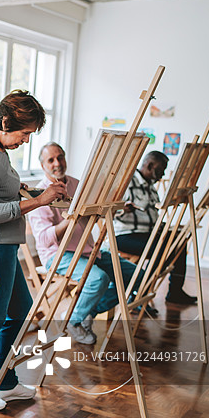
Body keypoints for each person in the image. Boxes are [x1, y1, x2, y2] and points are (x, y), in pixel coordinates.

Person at [0, 90, 67, 411]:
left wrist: (26, 191)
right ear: (5, 122)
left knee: (19, 310)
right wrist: (40, 201)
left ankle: (5, 382)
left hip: (1, 244)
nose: (26, 140)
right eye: (24, 133)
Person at [27, 143, 138, 344]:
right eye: (51, 160)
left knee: (137, 276)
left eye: (60, 157)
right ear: (42, 165)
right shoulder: (40, 193)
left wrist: (113, 208)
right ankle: (74, 320)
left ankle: (86, 311)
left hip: (88, 250)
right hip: (57, 255)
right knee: (98, 279)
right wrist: (70, 219)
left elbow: (95, 213)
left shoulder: (77, 185)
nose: (57, 163)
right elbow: (44, 239)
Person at [114, 151, 197, 305]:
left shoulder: (151, 187)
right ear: (150, 166)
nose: (163, 174)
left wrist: (166, 226)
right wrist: (122, 209)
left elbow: (153, 214)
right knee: (161, 248)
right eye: (160, 170)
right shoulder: (127, 182)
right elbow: (109, 210)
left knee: (178, 242)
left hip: (147, 233)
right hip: (125, 235)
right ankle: (140, 292)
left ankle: (175, 292)